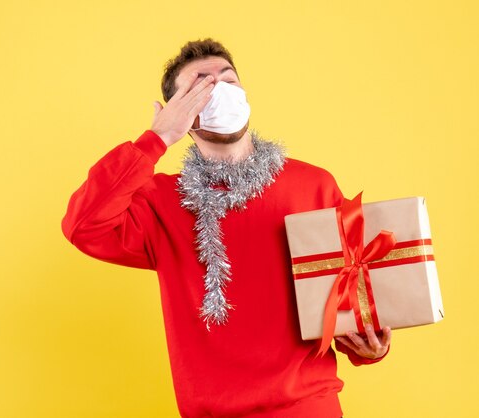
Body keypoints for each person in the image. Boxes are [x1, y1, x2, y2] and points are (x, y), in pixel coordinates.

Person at [62, 38, 391, 418]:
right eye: (200, 86)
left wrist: (369, 347)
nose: (219, 90)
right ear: (179, 112)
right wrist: (157, 139)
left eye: (228, 80)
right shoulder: (160, 201)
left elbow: (348, 298)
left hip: (307, 406)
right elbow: (83, 225)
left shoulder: (313, 185)